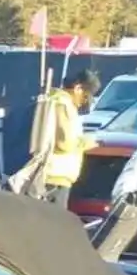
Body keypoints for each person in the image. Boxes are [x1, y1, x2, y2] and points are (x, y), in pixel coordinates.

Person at [38, 70, 97, 205]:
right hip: (54, 177)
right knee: (54, 223)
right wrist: (88, 142)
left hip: (55, 176)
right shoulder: (62, 104)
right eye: (85, 97)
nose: (84, 103)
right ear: (78, 88)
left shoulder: (57, 101)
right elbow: (64, 143)